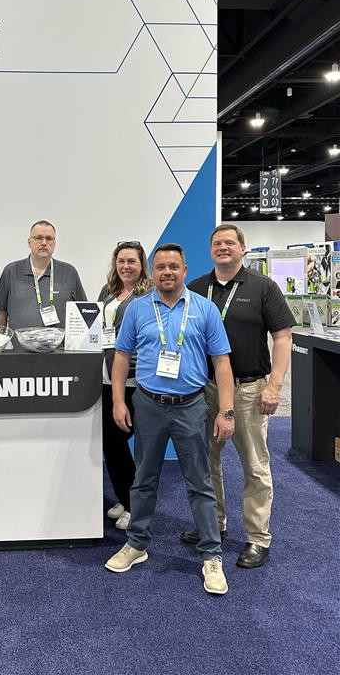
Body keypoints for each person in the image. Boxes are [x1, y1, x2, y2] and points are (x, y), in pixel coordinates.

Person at [104, 243, 235, 596]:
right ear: (154, 271)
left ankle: (211, 555)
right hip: (148, 404)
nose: (167, 272)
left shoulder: (204, 309)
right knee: (144, 479)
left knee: (199, 482)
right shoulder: (138, 308)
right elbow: (121, 356)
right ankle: (137, 543)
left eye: (173, 267)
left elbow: (222, 362)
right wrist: (118, 401)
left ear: (184, 270)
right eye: (161, 266)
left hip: (191, 406)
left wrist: (226, 411)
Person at [181, 224, 294, 568]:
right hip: (206, 389)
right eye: (217, 243)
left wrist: (275, 385)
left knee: (254, 466)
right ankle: (213, 524)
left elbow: (283, 337)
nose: (223, 247)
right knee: (206, 462)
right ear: (210, 249)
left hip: (249, 390)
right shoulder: (196, 288)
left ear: (242, 249)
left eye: (230, 242)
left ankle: (257, 538)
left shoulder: (263, 287)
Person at [98, 241, 152, 531]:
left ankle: (135, 505)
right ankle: (124, 496)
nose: (126, 266)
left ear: (142, 265)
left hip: (136, 379)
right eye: (121, 261)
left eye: (132, 261)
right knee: (111, 441)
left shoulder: (149, 294)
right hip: (107, 378)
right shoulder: (107, 292)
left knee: (137, 444)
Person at [0, 220, 86, 331]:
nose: (44, 243)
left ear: (54, 243)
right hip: (19, 343)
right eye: (38, 238)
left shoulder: (69, 272)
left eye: (49, 238)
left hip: (58, 342)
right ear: (29, 242)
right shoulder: (11, 271)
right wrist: (0, 339)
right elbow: (1, 311)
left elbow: (83, 310)